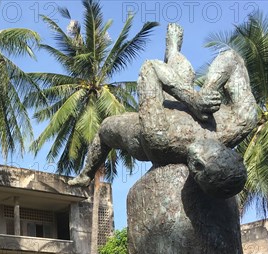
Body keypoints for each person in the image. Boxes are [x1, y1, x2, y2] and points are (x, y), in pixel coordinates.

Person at [70, 23, 257, 199]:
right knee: (182, 71)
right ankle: (173, 50)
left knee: (105, 129)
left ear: (198, 167)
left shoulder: (160, 138)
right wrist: (208, 90)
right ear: (233, 154)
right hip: (185, 109)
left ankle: (86, 174)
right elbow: (232, 59)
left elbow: (150, 68)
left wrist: (193, 99)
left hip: (149, 130)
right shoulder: (239, 122)